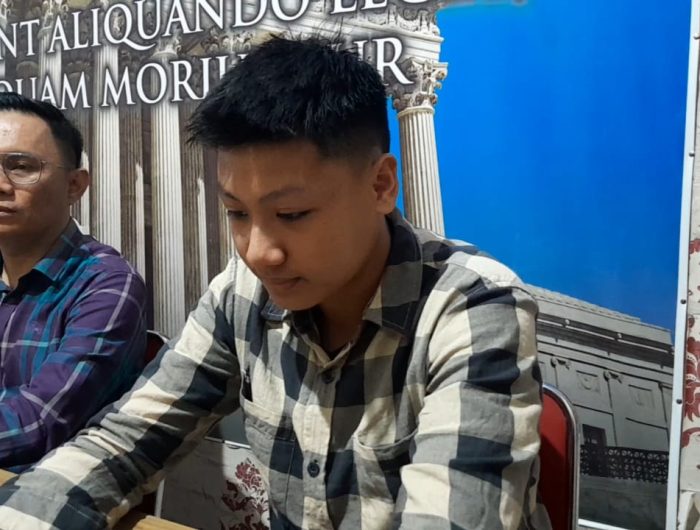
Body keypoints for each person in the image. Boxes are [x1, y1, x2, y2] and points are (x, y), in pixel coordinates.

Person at [0, 37, 550, 529]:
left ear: (381, 185)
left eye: (292, 214)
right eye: (237, 213)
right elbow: (125, 441)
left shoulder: (473, 307)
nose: (259, 252)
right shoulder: (242, 293)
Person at [0, 93, 147, 472]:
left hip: (42, 495)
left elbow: (40, 421)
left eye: (20, 167)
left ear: (75, 185)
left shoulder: (108, 284)